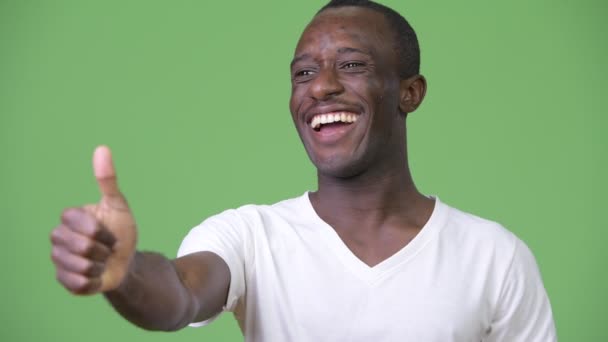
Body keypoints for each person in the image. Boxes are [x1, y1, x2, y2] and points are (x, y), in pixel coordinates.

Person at [50, 0, 557, 341]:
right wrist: (125, 273)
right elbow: (181, 295)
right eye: (304, 73)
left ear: (410, 92)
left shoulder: (496, 256)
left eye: (352, 65)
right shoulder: (250, 236)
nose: (320, 88)